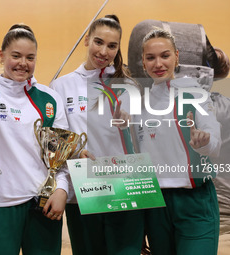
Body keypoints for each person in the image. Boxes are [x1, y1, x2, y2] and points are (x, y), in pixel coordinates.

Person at [0, 24, 69, 255]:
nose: (23, 63)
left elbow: (60, 153)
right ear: (2, 55)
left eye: (30, 57)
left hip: (45, 203)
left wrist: (62, 189)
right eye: (16, 56)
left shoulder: (50, 98)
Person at [51, 15, 144, 255]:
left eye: (112, 46)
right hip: (83, 189)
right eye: (98, 42)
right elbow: (58, 140)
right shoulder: (61, 86)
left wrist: (130, 123)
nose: (104, 51)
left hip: (124, 184)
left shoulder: (128, 84)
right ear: (86, 40)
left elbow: (145, 136)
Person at [136, 27, 221, 255]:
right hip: (156, 206)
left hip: (195, 201)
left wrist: (205, 142)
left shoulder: (194, 93)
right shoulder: (139, 105)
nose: (158, 64)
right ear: (143, 63)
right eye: (150, 58)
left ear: (177, 56)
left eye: (165, 55)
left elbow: (216, 145)